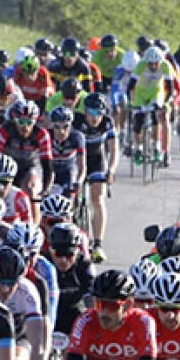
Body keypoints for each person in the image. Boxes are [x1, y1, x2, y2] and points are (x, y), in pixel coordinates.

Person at [72, 92, 118, 262]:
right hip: (77, 160)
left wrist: (111, 170)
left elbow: (113, 149)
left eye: (99, 113)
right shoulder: (76, 121)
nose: (95, 118)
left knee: (98, 199)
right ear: (85, 112)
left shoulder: (107, 122)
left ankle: (98, 244)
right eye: (91, 113)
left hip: (97, 160)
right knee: (72, 199)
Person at [128, 46, 176, 167]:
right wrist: (131, 102)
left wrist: (165, 103)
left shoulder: (166, 66)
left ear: (161, 61)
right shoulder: (140, 65)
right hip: (140, 94)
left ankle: (156, 147)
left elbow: (170, 89)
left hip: (156, 92)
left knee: (156, 115)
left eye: (156, 64)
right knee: (138, 120)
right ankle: (138, 148)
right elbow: (130, 87)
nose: (153, 66)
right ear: (146, 62)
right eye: (150, 64)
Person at [46, 222, 96, 335]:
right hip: (48, 314)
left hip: (74, 314)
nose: (63, 260)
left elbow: (92, 300)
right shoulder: (43, 265)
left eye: (69, 254)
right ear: (50, 250)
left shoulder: (84, 266)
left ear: (77, 251)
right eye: (58, 254)